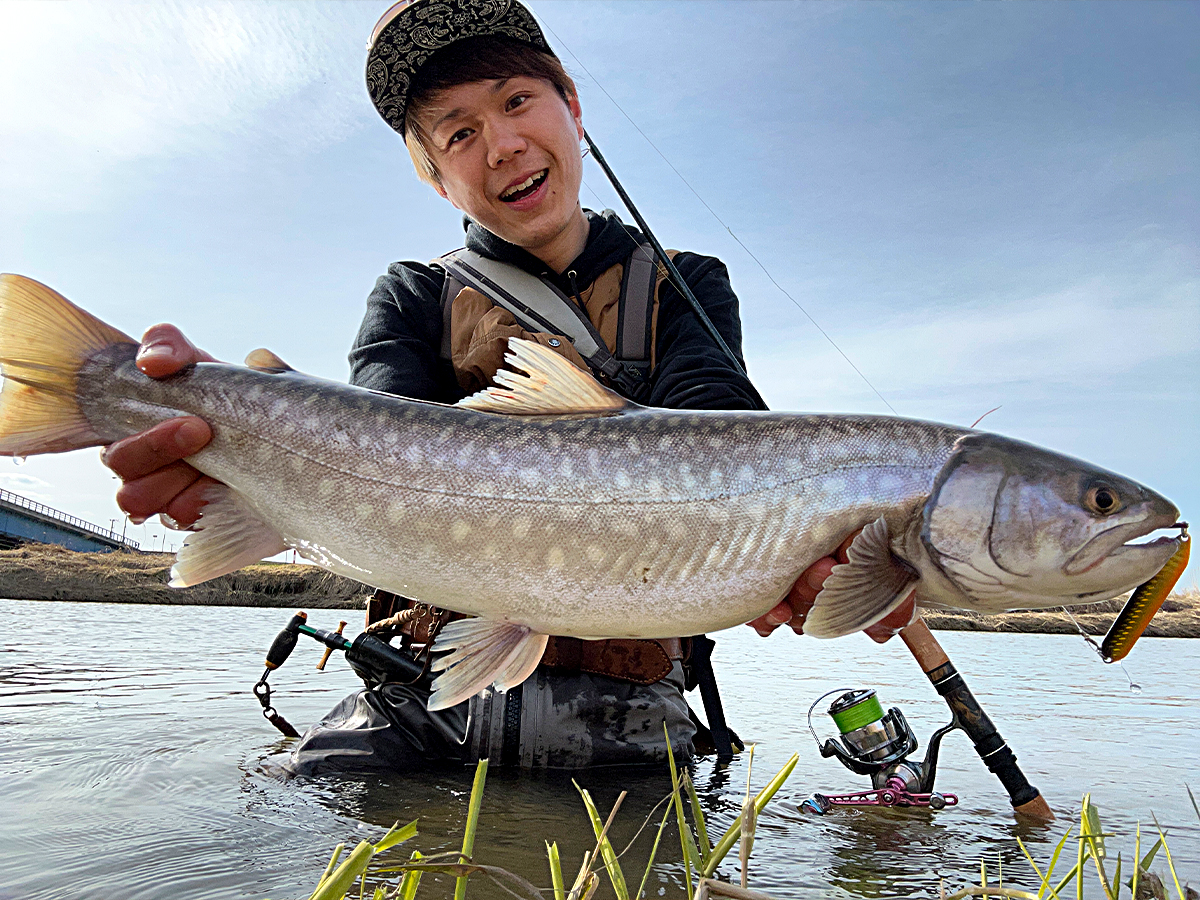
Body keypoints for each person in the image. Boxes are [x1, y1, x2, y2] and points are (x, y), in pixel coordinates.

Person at [102, 0, 916, 774]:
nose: (502, 144)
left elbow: (724, 425)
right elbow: (377, 436)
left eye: (518, 101)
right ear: (434, 178)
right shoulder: (414, 293)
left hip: (629, 715)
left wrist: (801, 553)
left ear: (574, 111)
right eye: (459, 133)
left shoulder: (685, 281)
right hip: (412, 702)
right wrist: (219, 416)